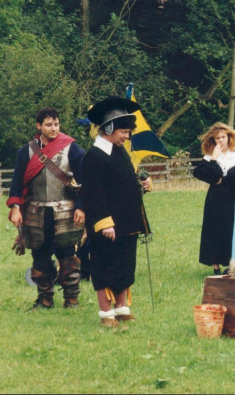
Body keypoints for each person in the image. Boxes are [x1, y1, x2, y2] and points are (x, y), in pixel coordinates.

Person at [80, 96, 152, 328]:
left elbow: (125, 181)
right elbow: (93, 193)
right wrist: (104, 223)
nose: (127, 136)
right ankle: (106, 314)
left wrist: (142, 184)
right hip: (107, 224)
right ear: (108, 128)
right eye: (124, 131)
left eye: (129, 131)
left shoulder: (120, 151)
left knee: (125, 264)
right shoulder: (94, 156)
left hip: (127, 222)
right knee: (104, 266)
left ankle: (122, 309)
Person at [7, 107, 85, 310]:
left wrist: (82, 207)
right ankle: (44, 299)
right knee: (40, 255)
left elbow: (87, 181)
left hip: (66, 210)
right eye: (48, 124)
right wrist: (15, 207)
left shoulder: (72, 149)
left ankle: (72, 299)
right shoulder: (27, 151)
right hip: (35, 212)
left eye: (56, 124)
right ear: (39, 126)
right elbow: (17, 182)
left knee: (67, 254)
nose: (53, 128)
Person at [193, 122, 235, 275]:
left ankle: (233, 264)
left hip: (233, 195)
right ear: (213, 140)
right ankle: (215, 266)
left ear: (229, 137)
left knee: (231, 229)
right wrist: (214, 158)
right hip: (215, 197)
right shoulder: (210, 155)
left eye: (223, 137)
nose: (220, 140)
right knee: (214, 230)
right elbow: (202, 173)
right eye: (217, 138)